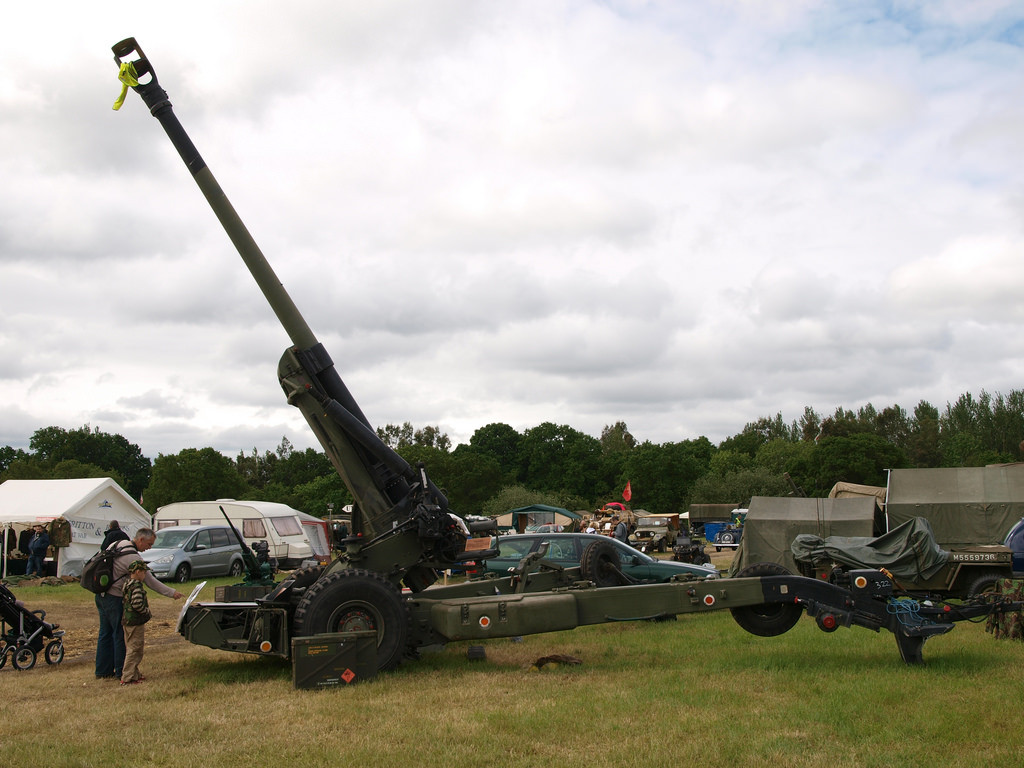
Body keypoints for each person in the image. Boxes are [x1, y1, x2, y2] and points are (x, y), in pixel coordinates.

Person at [95, 528, 184, 680]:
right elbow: (150, 581)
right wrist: (171, 592)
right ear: (141, 540)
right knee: (119, 634)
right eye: (149, 544)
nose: (149, 548)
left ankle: (103, 670)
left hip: (101, 594)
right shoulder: (133, 558)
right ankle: (121, 671)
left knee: (105, 633)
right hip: (115, 597)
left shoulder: (118, 543)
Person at [121, 559, 153, 686]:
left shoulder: (127, 584)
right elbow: (137, 604)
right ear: (138, 572)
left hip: (127, 621)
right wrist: (146, 611)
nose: (145, 575)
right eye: (144, 572)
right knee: (135, 649)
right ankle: (128, 677)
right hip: (135, 622)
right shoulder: (137, 586)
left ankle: (135, 674)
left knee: (130, 647)